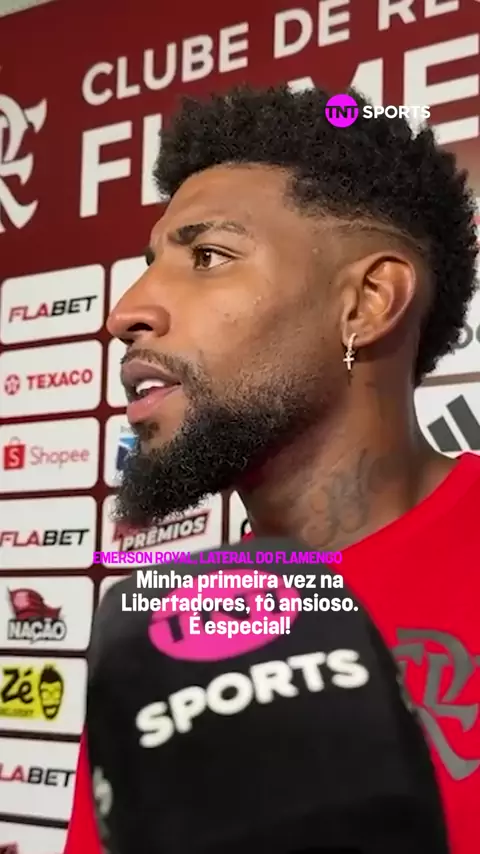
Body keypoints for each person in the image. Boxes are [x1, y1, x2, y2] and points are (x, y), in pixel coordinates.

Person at [64, 84, 480, 854]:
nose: (126, 312)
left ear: (367, 302)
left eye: (208, 256)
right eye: (151, 263)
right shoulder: (165, 637)